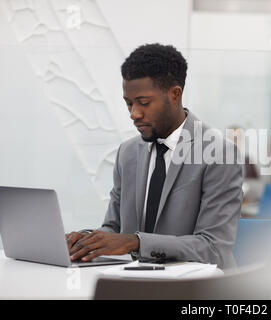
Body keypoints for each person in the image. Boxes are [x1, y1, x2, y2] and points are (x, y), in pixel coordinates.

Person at [65, 43, 244, 269]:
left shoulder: (219, 153)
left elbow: (213, 248)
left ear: (175, 94)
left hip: (195, 290)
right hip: (136, 282)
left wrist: (135, 242)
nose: (134, 114)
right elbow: (113, 228)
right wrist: (85, 240)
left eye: (144, 103)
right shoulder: (127, 153)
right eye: (128, 104)